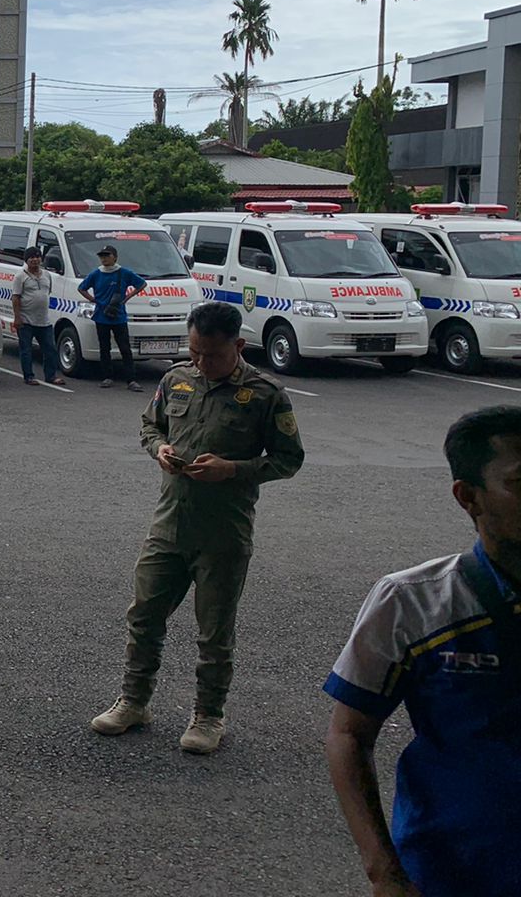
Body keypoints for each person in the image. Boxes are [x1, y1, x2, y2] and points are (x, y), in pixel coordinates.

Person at [323, 406, 521, 897]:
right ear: (468, 497)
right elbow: (349, 735)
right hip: (451, 871)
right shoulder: (412, 603)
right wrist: (384, 873)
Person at [90, 300, 303, 753]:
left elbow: (289, 460)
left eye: (212, 354)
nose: (202, 363)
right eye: (195, 352)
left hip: (223, 533)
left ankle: (208, 716)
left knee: (214, 632)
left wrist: (235, 469)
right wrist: (160, 449)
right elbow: (150, 427)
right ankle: (134, 701)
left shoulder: (266, 393)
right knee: (144, 617)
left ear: (238, 346)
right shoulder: (176, 380)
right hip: (169, 525)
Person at [78, 244, 145, 392]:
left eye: (107, 255)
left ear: (115, 257)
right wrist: (93, 300)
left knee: (125, 349)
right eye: (102, 256)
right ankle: (107, 376)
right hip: (101, 316)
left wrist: (127, 297)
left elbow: (141, 284)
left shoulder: (124, 273)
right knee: (104, 347)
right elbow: (81, 288)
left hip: (118, 316)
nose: (104, 258)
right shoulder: (96, 274)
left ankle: (131, 379)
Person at [11, 247, 64, 386]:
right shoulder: (20, 277)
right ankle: (29, 376)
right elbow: (15, 298)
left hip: (44, 320)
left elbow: (47, 293)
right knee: (26, 350)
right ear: (26, 260)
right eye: (31, 258)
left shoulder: (47, 275)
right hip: (26, 320)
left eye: (37, 257)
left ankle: (51, 376)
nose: (35, 260)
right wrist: (17, 318)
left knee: (50, 350)